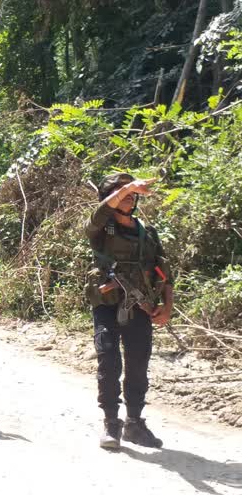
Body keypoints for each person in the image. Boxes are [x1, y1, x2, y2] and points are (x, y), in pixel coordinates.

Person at [85, 173, 173, 450]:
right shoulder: (100, 228)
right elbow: (99, 213)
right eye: (121, 192)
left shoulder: (147, 231)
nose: (130, 196)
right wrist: (129, 187)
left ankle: (135, 422)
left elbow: (164, 270)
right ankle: (112, 423)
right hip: (107, 305)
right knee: (109, 362)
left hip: (140, 307)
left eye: (132, 193)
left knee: (138, 364)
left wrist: (166, 306)